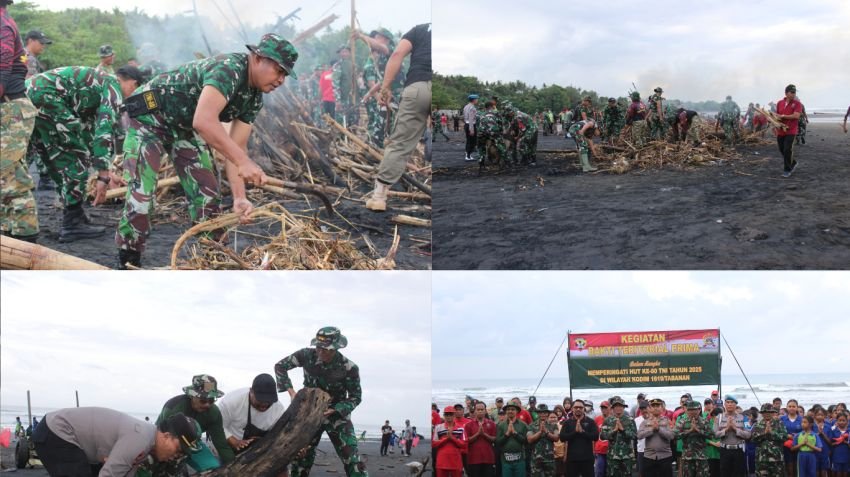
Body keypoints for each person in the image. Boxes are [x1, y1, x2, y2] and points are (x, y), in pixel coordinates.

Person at [115, 33, 296, 268]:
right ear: (258, 58)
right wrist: (244, 161)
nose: (281, 80)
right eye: (278, 70)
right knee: (142, 198)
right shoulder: (229, 69)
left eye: (285, 75)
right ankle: (128, 260)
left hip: (183, 127)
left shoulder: (253, 98)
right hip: (149, 118)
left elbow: (236, 149)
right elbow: (204, 121)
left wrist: (239, 197)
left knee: (207, 196)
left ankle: (213, 259)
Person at [27, 65, 143, 242]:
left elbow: (89, 134)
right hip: (46, 97)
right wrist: (103, 176)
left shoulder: (96, 88)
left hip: (29, 94)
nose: (131, 96)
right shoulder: (114, 87)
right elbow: (104, 131)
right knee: (76, 157)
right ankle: (72, 224)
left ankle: (74, 212)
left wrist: (105, 171)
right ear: (133, 83)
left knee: (52, 156)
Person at [274, 326, 367, 477]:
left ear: (336, 348)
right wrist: (291, 392)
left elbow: (355, 397)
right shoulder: (306, 355)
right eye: (318, 347)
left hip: (337, 416)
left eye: (326, 349)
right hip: (309, 414)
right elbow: (280, 366)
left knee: (352, 459)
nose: (321, 352)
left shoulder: (349, 368)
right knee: (301, 458)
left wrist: (335, 409)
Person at [363, 23, 430, 212]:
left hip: (418, 87)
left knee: (399, 144)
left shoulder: (420, 30)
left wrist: (385, 88)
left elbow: (397, 55)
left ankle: (379, 198)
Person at [33, 407, 200, 477]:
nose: (177, 455)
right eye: (179, 449)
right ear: (167, 436)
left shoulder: (147, 442)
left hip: (59, 433)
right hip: (56, 431)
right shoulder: (140, 439)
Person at [1, 0, 40, 243]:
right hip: (9, 107)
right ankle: (9, 236)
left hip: (11, 109)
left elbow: (2, 74)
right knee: (6, 176)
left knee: (11, 177)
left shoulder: (2, 25)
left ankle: (26, 240)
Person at [141, 375, 234, 476]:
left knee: (213, 466)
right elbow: (164, 439)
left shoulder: (213, 413)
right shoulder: (174, 407)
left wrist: (233, 466)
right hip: (169, 442)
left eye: (211, 400)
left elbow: (221, 444)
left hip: (193, 443)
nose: (207, 404)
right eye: (203, 400)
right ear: (191, 396)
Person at [217, 373, 286, 463]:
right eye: (260, 399)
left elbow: (282, 434)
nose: (264, 404)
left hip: (258, 448)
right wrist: (234, 441)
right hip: (227, 444)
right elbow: (216, 426)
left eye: (269, 400)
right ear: (251, 391)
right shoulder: (231, 402)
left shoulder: (278, 410)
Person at [355, 28, 401, 148]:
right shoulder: (381, 59)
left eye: (377, 37)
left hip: (396, 95)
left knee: (394, 125)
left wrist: (361, 36)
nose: (374, 40)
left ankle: (391, 148)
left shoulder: (390, 50)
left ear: (386, 39)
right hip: (387, 94)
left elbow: (381, 47)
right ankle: (376, 146)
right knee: (379, 123)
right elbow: (382, 80)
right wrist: (369, 94)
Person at [560, 399, 599, 477]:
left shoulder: (590, 422)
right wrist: (575, 432)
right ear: (572, 409)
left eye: (580, 407)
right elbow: (562, 438)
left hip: (587, 459)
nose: (578, 409)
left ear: (584, 409)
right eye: (576, 407)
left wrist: (583, 432)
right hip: (572, 460)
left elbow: (595, 437)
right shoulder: (567, 422)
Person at [714, 395, 750, 477]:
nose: (730, 404)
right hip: (724, 450)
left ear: (736, 404)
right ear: (725, 404)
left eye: (732, 402)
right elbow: (715, 434)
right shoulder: (719, 418)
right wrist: (726, 429)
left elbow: (748, 435)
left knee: (739, 474)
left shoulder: (743, 418)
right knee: (724, 474)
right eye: (728, 402)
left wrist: (735, 429)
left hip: (738, 451)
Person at [601, 396, 637, 477]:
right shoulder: (608, 420)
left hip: (627, 455)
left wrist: (623, 430)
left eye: (620, 406)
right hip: (612, 456)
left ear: (623, 407)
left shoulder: (630, 420)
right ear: (612, 408)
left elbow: (634, 436)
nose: (618, 408)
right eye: (616, 406)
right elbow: (602, 436)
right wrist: (613, 431)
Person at [638, 398, 674, 477]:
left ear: (662, 408)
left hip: (665, 456)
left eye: (657, 406)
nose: (655, 408)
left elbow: (671, 436)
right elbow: (639, 436)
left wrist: (659, 430)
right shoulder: (645, 422)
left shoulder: (667, 421)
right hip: (649, 457)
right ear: (650, 408)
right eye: (653, 406)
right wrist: (651, 430)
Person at [751, 403, 788, 477]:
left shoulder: (779, 423)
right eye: (765, 412)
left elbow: (784, 437)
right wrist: (764, 433)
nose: (767, 414)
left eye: (769, 412)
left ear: (773, 413)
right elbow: (753, 439)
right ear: (762, 413)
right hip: (762, 459)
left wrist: (772, 433)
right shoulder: (757, 424)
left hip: (777, 459)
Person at [675, 401, 711, 477]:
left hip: (701, 455)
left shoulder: (704, 421)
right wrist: (689, 431)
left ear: (699, 409)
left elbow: (711, 435)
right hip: (687, 456)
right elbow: (675, 436)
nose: (692, 412)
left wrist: (698, 430)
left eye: (694, 409)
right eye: (690, 409)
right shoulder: (682, 422)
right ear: (686, 410)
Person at [464, 401, 496, 477]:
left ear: (485, 411)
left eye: (482, 409)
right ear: (475, 411)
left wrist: (484, 434)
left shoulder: (492, 424)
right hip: (473, 460)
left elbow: (494, 439)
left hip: (488, 459)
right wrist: (478, 434)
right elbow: (467, 440)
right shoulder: (468, 425)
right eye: (478, 410)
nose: (480, 411)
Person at [434, 405, 467, 477]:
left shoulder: (461, 428)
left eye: (451, 414)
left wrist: (452, 438)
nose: (448, 416)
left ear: (454, 415)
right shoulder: (438, 428)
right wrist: (446, 439)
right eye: (446, 414)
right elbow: (434, 444)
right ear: (444, 415)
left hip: (456, 461)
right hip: (442, 461)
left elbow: (464, 445)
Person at [497, 401, 528, 477]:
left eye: (512, 409)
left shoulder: (523, 425)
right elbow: (498, 442)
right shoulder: (501, 425)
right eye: (508, 409)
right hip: (505, 461)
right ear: (505, 411)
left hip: (520, 460)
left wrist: (515, 433)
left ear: (517, 411)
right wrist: (507, 434)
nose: (510, 411)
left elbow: (526, 442)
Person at [527, 405, 558, 477]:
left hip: (549, 459)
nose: (543, 414)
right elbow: (529, 440)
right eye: (540, 412)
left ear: (548, 413)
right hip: (536, 459)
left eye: (545, 412)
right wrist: (540, 432)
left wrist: (546, 432)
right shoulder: (532, 425)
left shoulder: (553, 425)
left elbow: (556, 438)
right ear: (537, 413)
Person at [331, 45, 355, 126]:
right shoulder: (338, 66)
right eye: (342, 52)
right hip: (342, 98)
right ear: (339, 54)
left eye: (346, 52)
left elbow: (354, 80)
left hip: (352, 98)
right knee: (341, 121)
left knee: (352, 120)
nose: (345, 54)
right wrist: (338, 100)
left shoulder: (352, 64)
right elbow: (335, 83)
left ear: (349, 53)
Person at [783, 398, 805, 477]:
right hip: (786, 446)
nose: (791, 408)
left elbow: (806, 431)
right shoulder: (782, 419)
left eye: (793, 406)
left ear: (797, 407)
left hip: (799, 445)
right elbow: (778, 431)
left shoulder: (802, 419)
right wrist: (787, 435)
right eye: (790, 406)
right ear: (787, 407)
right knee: (788, 465)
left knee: (797, 465)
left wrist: (797, 436)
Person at [594, 400, 611, 477]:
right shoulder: (597, 419)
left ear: (609, 408)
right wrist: (593, 449)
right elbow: (594, 436)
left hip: (610, 451)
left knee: (610, 472)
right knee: (599, 472)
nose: (603, 409)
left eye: (605, 407)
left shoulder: (613, 419)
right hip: (599, 451)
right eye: (602, 408)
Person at [829, 412, 849, 477]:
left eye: (843, 420)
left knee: (845, 472)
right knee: (838, 472)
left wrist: (845, 442)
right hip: (836, 456)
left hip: (847, 456)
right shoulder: (833, 431)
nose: (841, 422)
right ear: (837, 421)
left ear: (847, 421)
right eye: (840, 420)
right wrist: (838, 441)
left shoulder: (849, 431)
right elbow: (830, 443)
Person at [463, 94, 479, 162]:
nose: (477, 100)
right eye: (477, 99)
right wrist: (471, 129)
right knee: (472, 141)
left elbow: (465, 117)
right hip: (471, 125)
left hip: (467, 124)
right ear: (474, 100)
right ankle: (468, 156)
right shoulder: (472, 108)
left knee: (469, 140)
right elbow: (471, 119)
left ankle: (468, 155)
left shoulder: (466, 106)